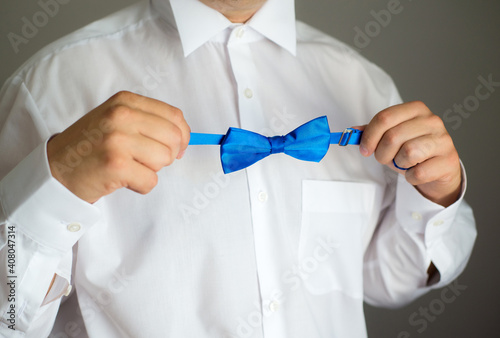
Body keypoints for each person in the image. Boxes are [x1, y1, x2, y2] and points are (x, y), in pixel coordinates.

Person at [0, 0, 476, 337]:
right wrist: (55, 186)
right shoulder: (51, 87)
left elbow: (386, 280)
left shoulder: (362, 83)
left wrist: (436, 194)